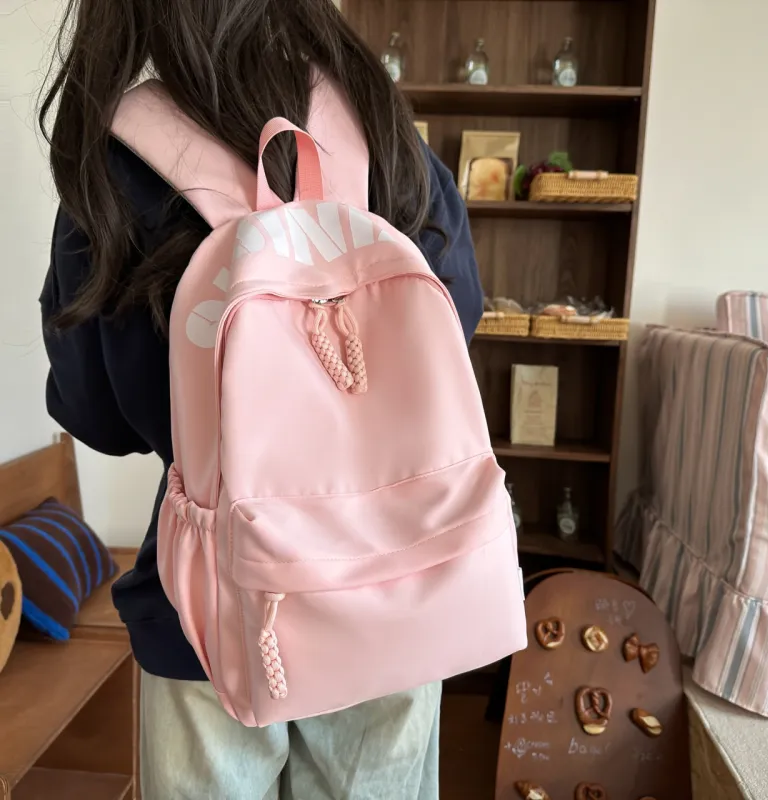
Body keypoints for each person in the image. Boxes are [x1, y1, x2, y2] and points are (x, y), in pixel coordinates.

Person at [38, 0, 482, 797]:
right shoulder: (376, 120)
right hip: (396, 585)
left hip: (207, 610)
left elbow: (96, 417)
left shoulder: (119, 157)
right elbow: (460, 316)